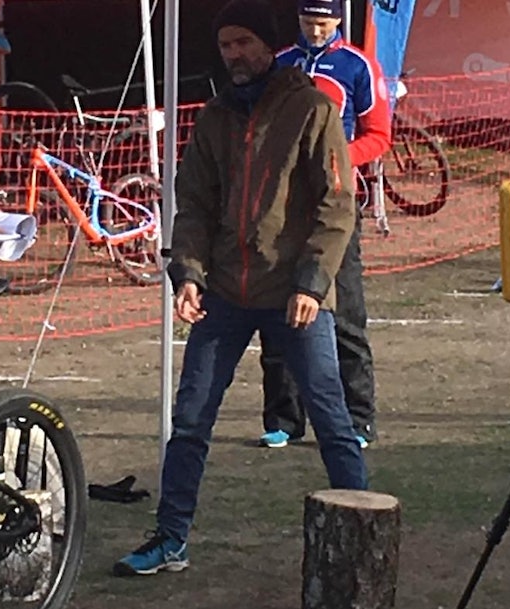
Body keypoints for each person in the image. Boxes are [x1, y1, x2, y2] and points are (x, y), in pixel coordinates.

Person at [113, 0, 367, 577]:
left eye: (243, 43)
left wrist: (311, 282)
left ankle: (361, 535)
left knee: (330, 416)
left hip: (295, 294)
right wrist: (189, 276)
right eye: (226, 45)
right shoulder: (214, 117)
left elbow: (335, 207)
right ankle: (170, 537)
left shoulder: (313, 109)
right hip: (224, 291)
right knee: (192, 419)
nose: (234, 55)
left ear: (268, 45)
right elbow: (195, 206)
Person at [262, 0, 390, 450]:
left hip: (336, 207)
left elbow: (379, 135)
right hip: (282, 209)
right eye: (306, 22)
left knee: (345, 313)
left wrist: (336, 161)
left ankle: (357, 417)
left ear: (337, 20)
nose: (314, 31)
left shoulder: (356, 65)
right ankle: (283, 417)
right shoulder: (279, 64)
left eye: (322, 22)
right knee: (278, 307)